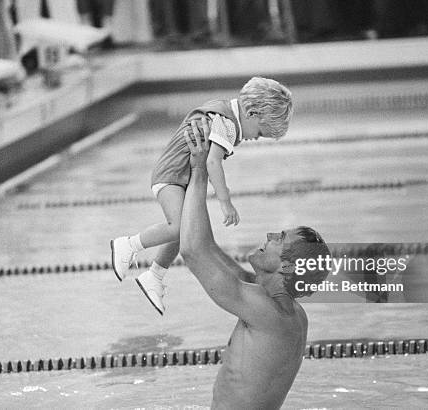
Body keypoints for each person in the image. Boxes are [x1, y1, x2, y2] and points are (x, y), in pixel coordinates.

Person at [180, 118, 331, 408]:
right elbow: (208, 249)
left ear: (288, 267)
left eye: (280, 238)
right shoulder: (285, 309)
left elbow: (192, 252)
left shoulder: (267, 312)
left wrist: (199, 172)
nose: (271, 234)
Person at [111, 76, 293, 315]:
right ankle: (128, 245)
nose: (254, 138)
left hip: (178, 175)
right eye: (260, 132)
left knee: (184, 230)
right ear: (252, 113)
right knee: (178, 227)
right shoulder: (227, 125)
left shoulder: (223, 111)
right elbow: (213, 162)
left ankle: (155, 275)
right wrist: (226, 203)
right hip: (172, 175)